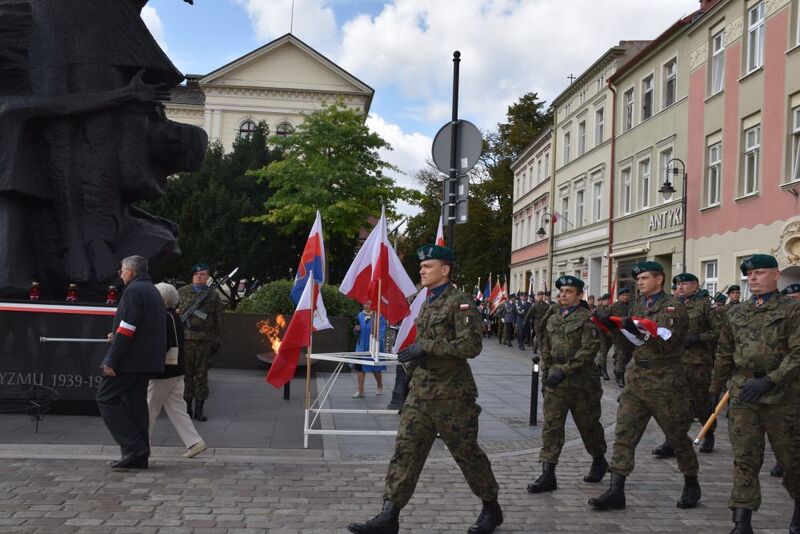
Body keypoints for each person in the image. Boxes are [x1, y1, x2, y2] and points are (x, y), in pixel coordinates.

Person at [347, 244, 502, 534]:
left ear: (445, 270)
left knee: (467, 454)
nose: (422, 270)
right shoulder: (426, 301)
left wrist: (425, 347)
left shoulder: (461, 302)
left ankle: (491, 508)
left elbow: (471, 346)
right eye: (421, 266)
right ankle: (389, 515)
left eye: (428, 266)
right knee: (406, 452)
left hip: (452, 397)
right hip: (421, 393)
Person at [589, 261, 701, 511]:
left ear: (659, 279)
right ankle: (616, 490)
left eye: (645, 277)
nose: (639, 282)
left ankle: (691, 482)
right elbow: (627, 345)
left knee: (676, 437)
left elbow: (665, 343)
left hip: (666, 382)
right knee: (624, 434)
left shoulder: (674, 308)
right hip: (637, 380)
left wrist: (637, 330)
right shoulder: (637, 306)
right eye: (638, 278)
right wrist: (610, 328)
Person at [709, 254, 800, 534]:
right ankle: (741, 522)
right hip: (744, 394)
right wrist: (714, 388)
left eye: (759, 272)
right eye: (749, 274)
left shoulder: (792, 310)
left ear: (776, 274)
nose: (754, 279)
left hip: (782, 397)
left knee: (791, 460)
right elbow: (725, 352)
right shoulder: (736, 313)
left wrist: (770, 380)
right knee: (745, 459)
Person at [527, 275, 607, 494]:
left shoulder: (586, 319)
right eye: (561, 291)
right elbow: (544, 344)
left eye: (568, 292)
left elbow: (588, 352)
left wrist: (563, 370)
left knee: (588, 425)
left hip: (582, 384)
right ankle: (548, 474)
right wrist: (547, 371)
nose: (563, 295)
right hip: (556, 382)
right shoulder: (552, 316)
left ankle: (599, 459)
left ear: (579, 295)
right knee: (552, 426)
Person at [96, 255, 166, 469]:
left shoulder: (133, 291)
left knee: (105, 398)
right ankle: (139, 455)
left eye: (122, 270)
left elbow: (127, 328)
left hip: (130, 361)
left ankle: (133, 447)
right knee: (136, 405)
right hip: (146, 360)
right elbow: (140, 328)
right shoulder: (152, 290)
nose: (120, 274)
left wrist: (111, 360)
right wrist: (116, 336)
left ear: (132, 272)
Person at [652, 273, 719, 457]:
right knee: (674, 403)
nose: (680, 287)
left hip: (697, 362)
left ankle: (708, 432)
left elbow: (719, 331)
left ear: (696, 285)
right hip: (675, 361)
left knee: (701, 400)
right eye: (677, 284)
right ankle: (672, 441)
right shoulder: (670, 306)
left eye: (685, 283)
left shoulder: (704, 306)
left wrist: (699, 338)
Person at [148, 283, 207, 459]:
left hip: (162, 372)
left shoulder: (162, 317)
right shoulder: (173, 315)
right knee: (177, 409)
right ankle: (194, 441)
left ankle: (142, 446)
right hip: (176, 370)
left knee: (148, 409)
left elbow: (162, 344)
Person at [178, 262, 224, 422]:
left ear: (207, 277)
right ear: (192, 276)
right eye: (196, 274)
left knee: (202, 376)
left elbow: (219, 318)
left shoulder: (213, 295)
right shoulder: (182, 292)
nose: (199, 276)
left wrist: (218, 339)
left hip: (204, 341)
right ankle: (186, 409)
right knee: (186, 376)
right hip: (185, 340)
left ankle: (199, 409)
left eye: (203, 274)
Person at [352, 302, 387, 398]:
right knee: (359, 368)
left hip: (374, 345)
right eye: (365, 304)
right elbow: (356, 332)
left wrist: (377, 342)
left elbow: (382, 331)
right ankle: (360, 390)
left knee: (375, 368)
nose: (366, 306)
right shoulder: (360, 315)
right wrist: (356, 330)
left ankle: (379, 385)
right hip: (361, 346)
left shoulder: (379, 315)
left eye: (368, 304)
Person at [594, 293, 612, 380]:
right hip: (600, 332)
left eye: (609, 299)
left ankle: (599, 365)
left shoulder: (611, 308)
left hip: (609, 332)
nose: (608, 301)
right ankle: (604, 371)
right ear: (603, 301)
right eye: (606, 300)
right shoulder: (598, 309)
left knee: (607, 349)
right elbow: (601, 318)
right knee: (603, 350)